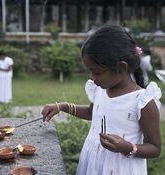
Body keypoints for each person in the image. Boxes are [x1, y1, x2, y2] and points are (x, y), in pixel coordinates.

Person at [41, 25, 162, 175]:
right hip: (93, 162)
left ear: (121, 67)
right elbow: (93, 112)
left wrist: (128, 147)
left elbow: (155, 148)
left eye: (96, 71)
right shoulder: (100, 89)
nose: (92, 77)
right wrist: (63, 107)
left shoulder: (142, 102)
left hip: (122, 168)